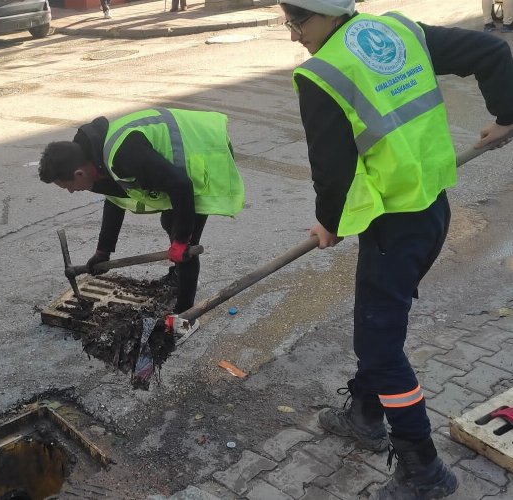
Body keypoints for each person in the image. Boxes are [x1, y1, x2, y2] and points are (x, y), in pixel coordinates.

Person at [278, 0, 513, 498]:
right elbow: (491, 52)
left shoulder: (321, 75)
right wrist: (509, 114)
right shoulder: (397, 31)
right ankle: (365, 414)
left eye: (298, 21)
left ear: (325, 13)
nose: (293, 33)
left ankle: (423, 469)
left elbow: (332, 169)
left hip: (393, 228)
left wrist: (328, 223)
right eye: (286, 20)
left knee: (380, 347)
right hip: (430, 211)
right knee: (378, 320)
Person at [38, 108, 245, 317]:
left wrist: (181, 240)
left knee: (183, 240)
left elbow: (181, 185)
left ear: (79, 173)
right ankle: (178, 276)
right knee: (172, 222)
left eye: (68, 187)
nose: (72, 191)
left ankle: (185, 314)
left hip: (205, 147)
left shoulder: (124, 156)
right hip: (174, 165)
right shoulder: (94, 160)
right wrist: (103, 251)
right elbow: (115, 199)